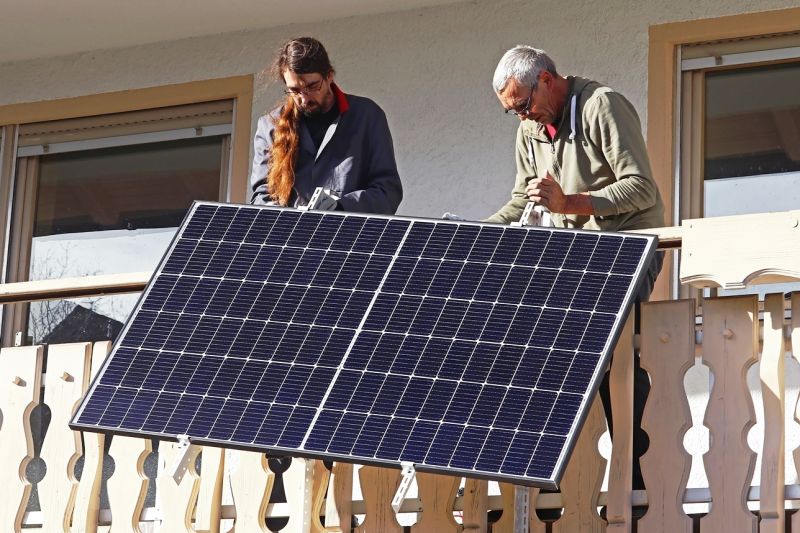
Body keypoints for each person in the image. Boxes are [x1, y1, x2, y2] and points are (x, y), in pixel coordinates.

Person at [489, 45, 666, 493]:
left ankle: (633, 468)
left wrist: (571, 204)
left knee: (612, 355)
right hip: (578, 257)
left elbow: (641, 188)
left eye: (525, 105)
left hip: (627, 246)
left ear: (547, 79)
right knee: (534, 342)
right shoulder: (529, 130)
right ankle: (550, 467)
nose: (523, 118)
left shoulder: (601, 106)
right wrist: (476, 236)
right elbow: (520, 200)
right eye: (513, 112)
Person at [249, 37, 403, 214]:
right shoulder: (270, 127)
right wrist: (285, 218)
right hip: (290, 238)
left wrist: (341, 206)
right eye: (295, 90)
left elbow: (387, 192)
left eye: (312, 86)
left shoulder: (367, 116)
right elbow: (262, 196)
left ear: (329, 76)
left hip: (351, 237)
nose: (304, 98)